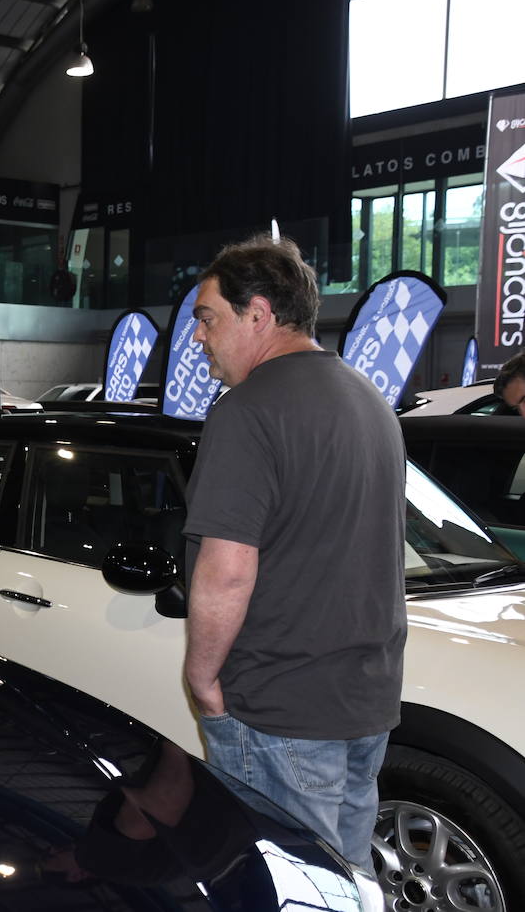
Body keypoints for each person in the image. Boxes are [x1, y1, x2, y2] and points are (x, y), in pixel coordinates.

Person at [183, 235, 405, 872]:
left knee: (285, 881)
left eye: (207, 319)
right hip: (366, 697)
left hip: (282, 708)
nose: (198, 339)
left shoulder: (247, 411)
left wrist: (201, 679)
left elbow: (226, 573)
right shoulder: (370, 402)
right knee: (349, 875)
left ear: (258, 314)